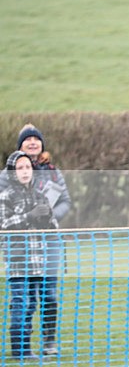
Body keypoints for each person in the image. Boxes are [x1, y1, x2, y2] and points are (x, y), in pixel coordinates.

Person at [0, 124, 71, 355]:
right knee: (25, 298)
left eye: (36, 139)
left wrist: (49, 217)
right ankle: (22, 345)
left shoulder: (52, 171)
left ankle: (49, 341)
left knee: (49, 294)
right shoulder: (7, 177)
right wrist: (30, 218)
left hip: (47, 242)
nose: (32, 143)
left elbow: (65, 201)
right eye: (27, 140)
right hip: (21, 245)